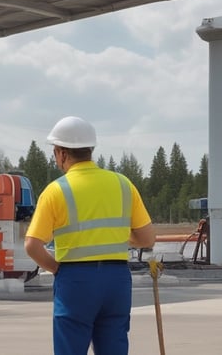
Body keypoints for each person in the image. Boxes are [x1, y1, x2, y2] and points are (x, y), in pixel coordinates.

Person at [24, 116, 156, 355]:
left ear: (62, 153)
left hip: (75, 281)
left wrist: (56, 268)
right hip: (117, 280)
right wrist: (117, 238)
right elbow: (147, 239)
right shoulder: (123, 184)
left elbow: (32, 245)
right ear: (89, 150)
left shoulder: (56, 191)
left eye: (55, 153)